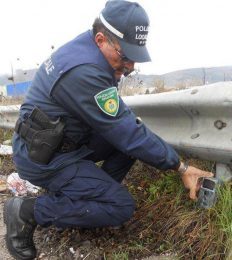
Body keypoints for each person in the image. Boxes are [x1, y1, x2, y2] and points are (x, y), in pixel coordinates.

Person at [4, 1, 213, 259]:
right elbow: (127, 132)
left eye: (134, 57)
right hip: (45, 159)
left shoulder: (86, 50)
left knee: (128, 146)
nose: (131, 66)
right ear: (101, 39)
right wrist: (180, 167)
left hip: (59, 142)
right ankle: (27, 211)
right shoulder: (84, 71)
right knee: (121, 206)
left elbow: (126, 132)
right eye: (125, 56)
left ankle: (87, 200)